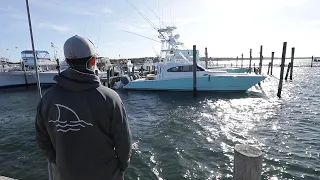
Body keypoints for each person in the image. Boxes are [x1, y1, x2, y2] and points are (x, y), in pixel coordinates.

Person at [35, 35, 132, 180]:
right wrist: (122, 165)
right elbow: (123, 142)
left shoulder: (47, 99)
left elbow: (42, 139)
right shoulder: (111, 98)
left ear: (67, 61)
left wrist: (58, 161)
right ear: (93, 61)